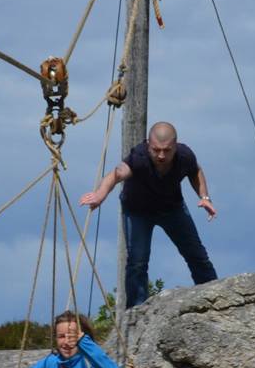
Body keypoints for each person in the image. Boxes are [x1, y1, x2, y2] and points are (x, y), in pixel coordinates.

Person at [80, 122, 218, 308]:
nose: (161, 155)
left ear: (175, 146)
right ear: (148, 144)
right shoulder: (138, 157)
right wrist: (100, 195)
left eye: (167, 150)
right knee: (137, 262)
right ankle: (136, 310)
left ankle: (213, 297)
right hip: (138, 212)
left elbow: (196, 171)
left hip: (172, 208)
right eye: (156, 150)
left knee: (196, 254)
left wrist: (205, 197)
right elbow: (116, 175)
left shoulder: (185, 155)